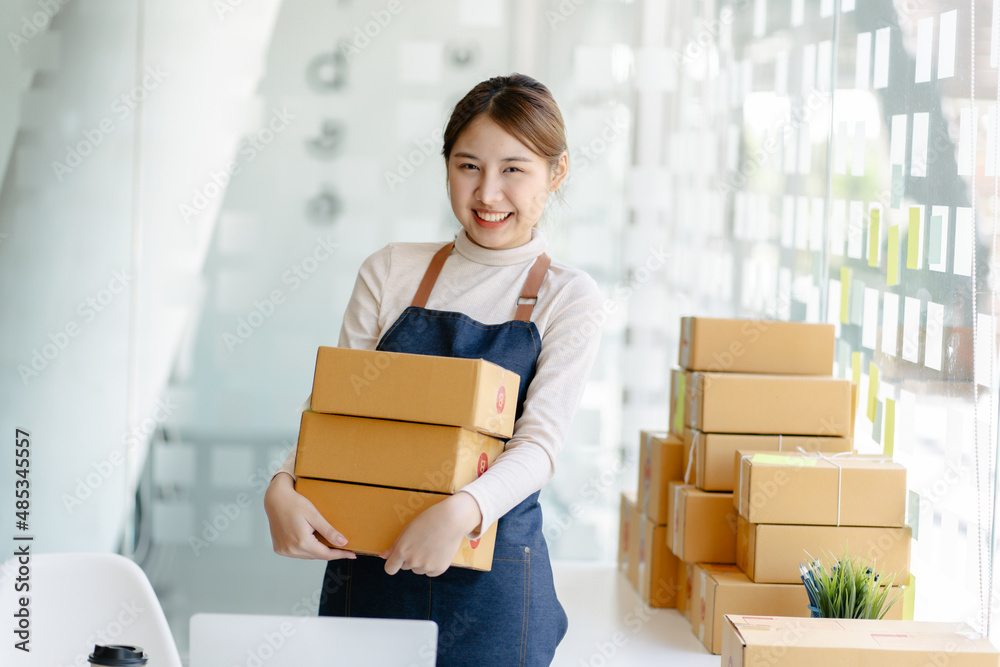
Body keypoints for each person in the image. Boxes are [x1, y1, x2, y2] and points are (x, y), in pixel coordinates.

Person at [263, 72, 603, 665]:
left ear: (558, 172)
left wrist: (461, 511)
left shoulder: (567, 296)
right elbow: (338, 414)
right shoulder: (391, 270)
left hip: (492, 583)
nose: (488, 194)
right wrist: (282, 484)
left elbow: (539, 446)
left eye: (513, 169)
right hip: (372, 565)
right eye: (468, 166)